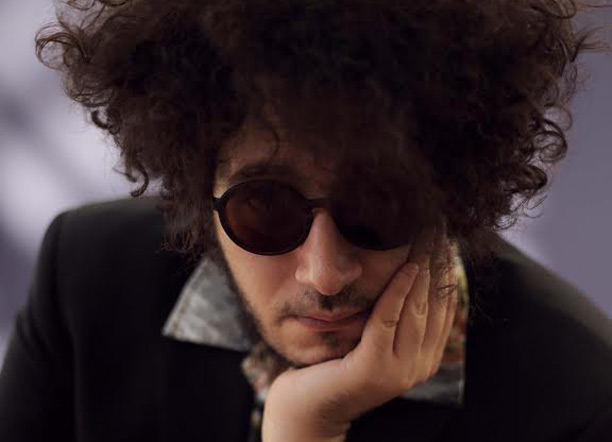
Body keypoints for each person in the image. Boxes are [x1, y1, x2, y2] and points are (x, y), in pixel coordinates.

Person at [1, 0, 612, 441]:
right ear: (198, 182)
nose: (324, 273)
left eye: (377, 205)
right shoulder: (86, 280)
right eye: (265, 207)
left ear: (448, 196)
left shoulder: (572, 393)